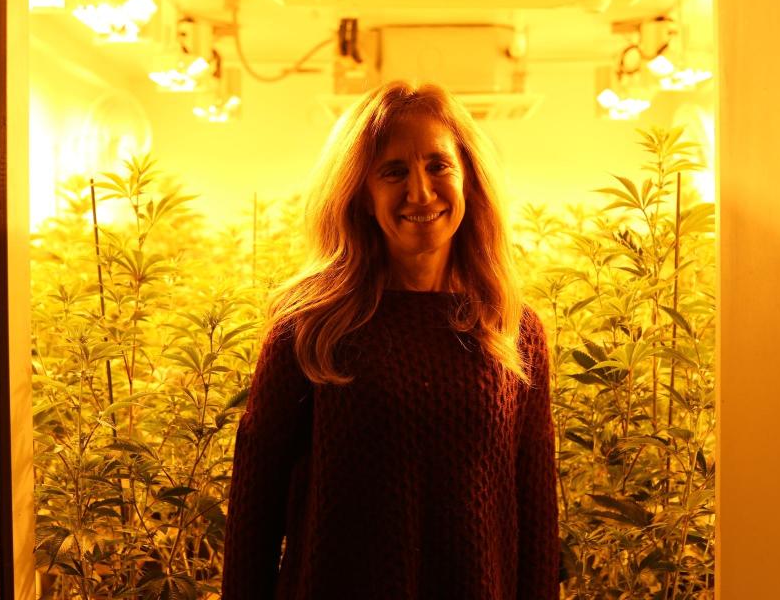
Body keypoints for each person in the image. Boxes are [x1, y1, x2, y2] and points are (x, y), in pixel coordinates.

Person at [221, 80, 559, 600]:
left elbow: (536, 522)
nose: (420, 192)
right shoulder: (308, 329)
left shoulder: (513, 330)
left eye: (438, 165)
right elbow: (253, 518)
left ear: (469, 177)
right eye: (393, 171)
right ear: (361, 193)